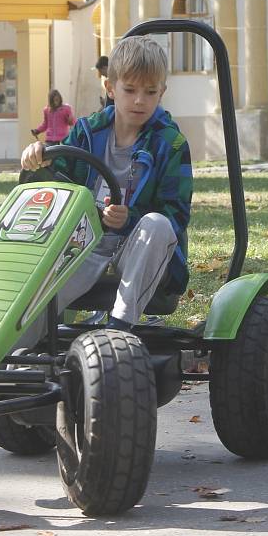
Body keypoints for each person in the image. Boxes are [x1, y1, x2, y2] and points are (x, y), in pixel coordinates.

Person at [20, 35, 192, 335]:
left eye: (150, 92)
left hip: (138, 250)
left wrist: (130, 219)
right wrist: (39, 159)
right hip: (84, 245)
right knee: (33, 304)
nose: (140, 100)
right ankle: (4, 364)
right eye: (130, 90)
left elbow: (176, 215)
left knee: (157, 224)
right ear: (110, 88)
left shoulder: (170, 144)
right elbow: (57, 180)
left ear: (161, 93)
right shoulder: (87, 133)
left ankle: (119, 329)